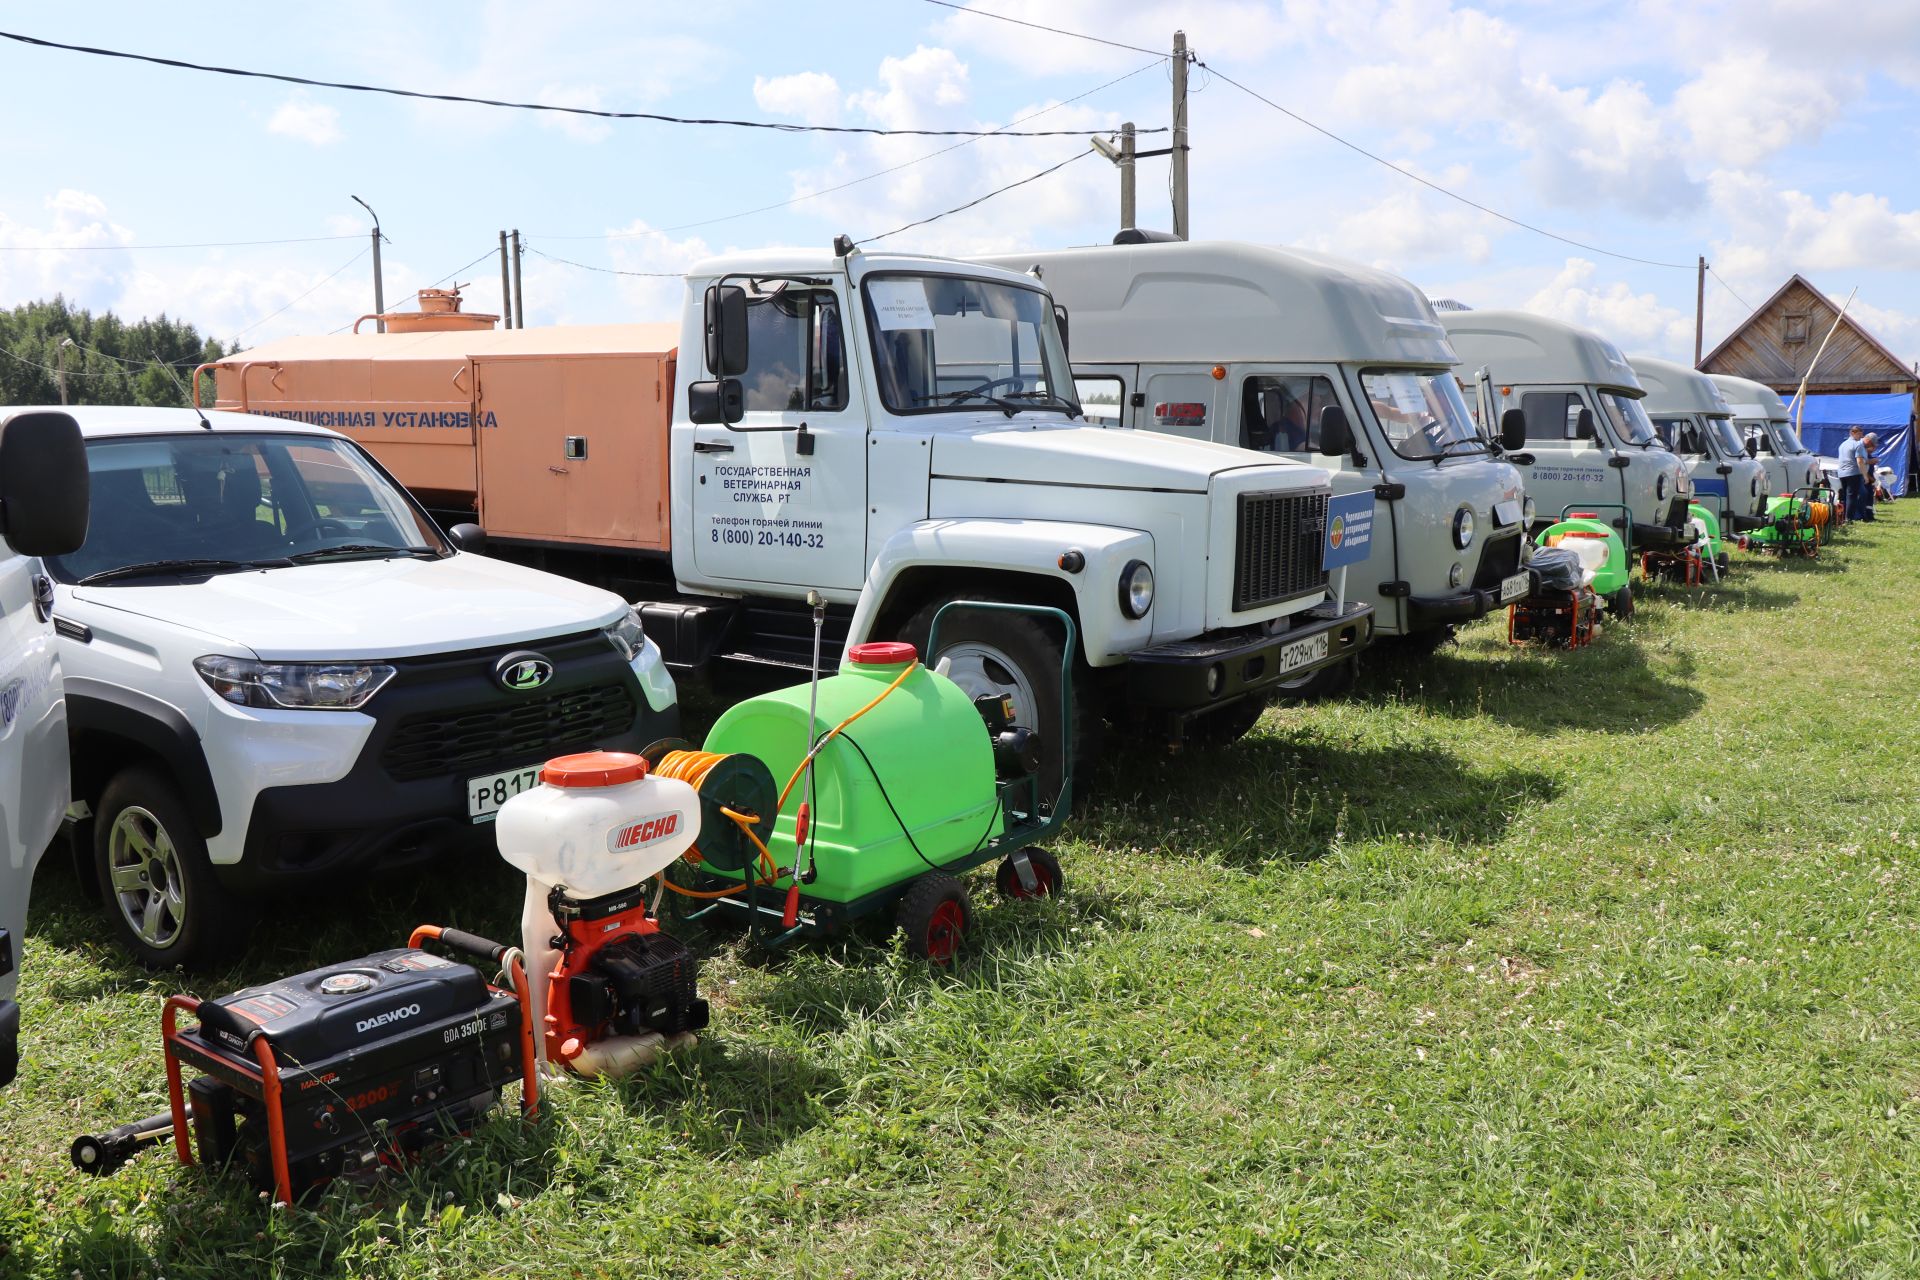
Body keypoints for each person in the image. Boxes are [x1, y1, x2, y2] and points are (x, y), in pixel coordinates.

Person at [1837, 426, 1868, 521]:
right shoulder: (1858, 445)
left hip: (1842, 473)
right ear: (1853, 433)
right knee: (1852, 496)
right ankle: (1848, 519)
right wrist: (1865, 476)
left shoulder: (1842, 444)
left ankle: (1842, 517)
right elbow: (1860, 461)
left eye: (1861, 434)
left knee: (1845, 496)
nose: (1861, 436)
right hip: (1853, 473)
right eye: (1859, 434)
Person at [1860, 432, 1880, 521]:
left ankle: (1869, 515)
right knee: (1865, 497)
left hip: (1869, 481)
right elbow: (1861, 466)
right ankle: (1865, 516)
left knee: (1869, 498)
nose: (1874, 448)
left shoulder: (1868, 454)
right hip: (1865, 480)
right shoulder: (1861, 451)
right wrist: (1870, 478)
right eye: (1873, 446)